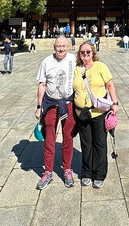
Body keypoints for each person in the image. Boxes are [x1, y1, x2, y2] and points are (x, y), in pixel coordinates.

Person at [73, 41, 119, 188]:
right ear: (79, 54)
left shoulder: (101, 67)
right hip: (81, 113)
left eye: (88, 52)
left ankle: (99, 173)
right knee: (86, 144)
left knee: (99, 143)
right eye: (82, 52)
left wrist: (115, 103)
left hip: (98, 112)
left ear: (93, 53)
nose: (85, 54)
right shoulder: (76, 69)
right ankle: (86, 172)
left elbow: (110, 85)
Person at [35, 36, 76, 190]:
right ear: (54, 46)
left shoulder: (73, 59)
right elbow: (42, 84)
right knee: (49, 139)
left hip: (68, 102)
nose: (61, 49)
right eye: (58, 46)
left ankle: (67, 169)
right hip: (51, 103)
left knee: (68, 137)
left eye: (63, 46)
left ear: (68, 46)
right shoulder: (46, 61)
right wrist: (39, 106)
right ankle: (48, 171)